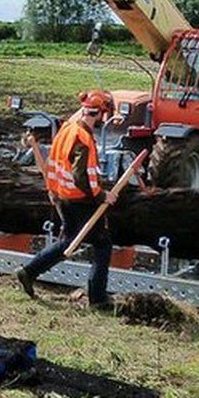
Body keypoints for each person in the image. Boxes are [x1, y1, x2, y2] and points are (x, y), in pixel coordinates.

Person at [15, 90, 119, 309]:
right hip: (81, 199)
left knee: (68, 241)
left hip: (63, 196)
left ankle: (29, 271)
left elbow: (54, 163)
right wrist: (102, 195)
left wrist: (53, 191)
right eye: (104, 115)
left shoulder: (66, 129)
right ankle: (98, 299)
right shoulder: (82, 138)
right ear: (99, 114)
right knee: (102, 244)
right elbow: (81, 176)